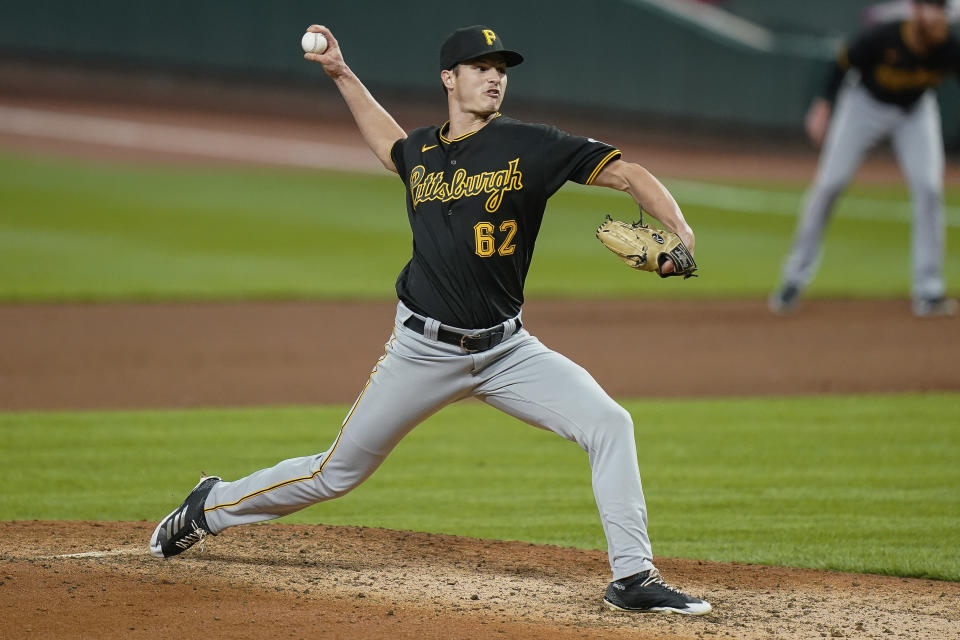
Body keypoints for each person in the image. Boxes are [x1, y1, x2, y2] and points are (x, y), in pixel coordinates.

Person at [149, 24, 711, 615]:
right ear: (450, 78)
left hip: (508, 352)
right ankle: (209, 507)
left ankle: (632, 577)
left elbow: (628, 173)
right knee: (334, 474)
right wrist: (341, 73)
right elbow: (391, 147)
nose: (495, 77)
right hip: (422, 352)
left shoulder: (531, 145)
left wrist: (680, 229)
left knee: (609, 424)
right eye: (480, 66)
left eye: (501, 68)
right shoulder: (422, 152)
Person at [769, 0, 958, 317]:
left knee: (929, 188)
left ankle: (929, 290)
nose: (937, 15)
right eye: (930, 7)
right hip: (863, 106)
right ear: (915, 10)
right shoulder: (884, 37)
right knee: (829, 185)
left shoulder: (950, 47)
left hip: (915, 112)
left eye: (941, 9)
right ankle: (793, 279)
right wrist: (824, 105)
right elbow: (843, 63)